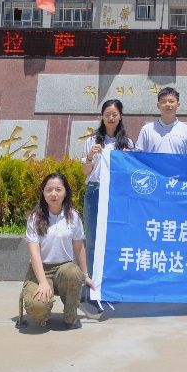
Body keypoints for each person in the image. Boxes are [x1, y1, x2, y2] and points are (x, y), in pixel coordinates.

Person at [18, 172, 94, 329]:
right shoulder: (34, 218)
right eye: (49, 190)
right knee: (37, 306)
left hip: (64, 269)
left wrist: (85, 276)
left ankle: (70, 317)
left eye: (58, 189)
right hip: (40, 270)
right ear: (43, 193)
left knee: (74, 273)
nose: (53, 194)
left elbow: (79, 247)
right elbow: (34, 253)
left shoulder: (73, 216)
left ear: (65, 192)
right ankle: (43, 315)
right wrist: (42, 282)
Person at [82, 99, 133, 284]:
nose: (111, 118)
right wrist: (90, 156)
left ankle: (112, 282)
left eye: (114, 114)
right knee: (92, 239)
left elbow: (130, 173)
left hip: (117, 194)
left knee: (116, 237)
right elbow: (85, 172)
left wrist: (128, 157)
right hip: (95, 191)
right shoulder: (91, 140)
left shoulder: (127, 142)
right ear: (102, 117)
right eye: (107, 115)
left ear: (120, 117)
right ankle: (92, 282)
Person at [135, 86, 187, 154]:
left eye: (171, 101)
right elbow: (138, 155)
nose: (167, 104)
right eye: (163, 102)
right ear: (158, 105)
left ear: (178, 104)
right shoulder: (147, 130)